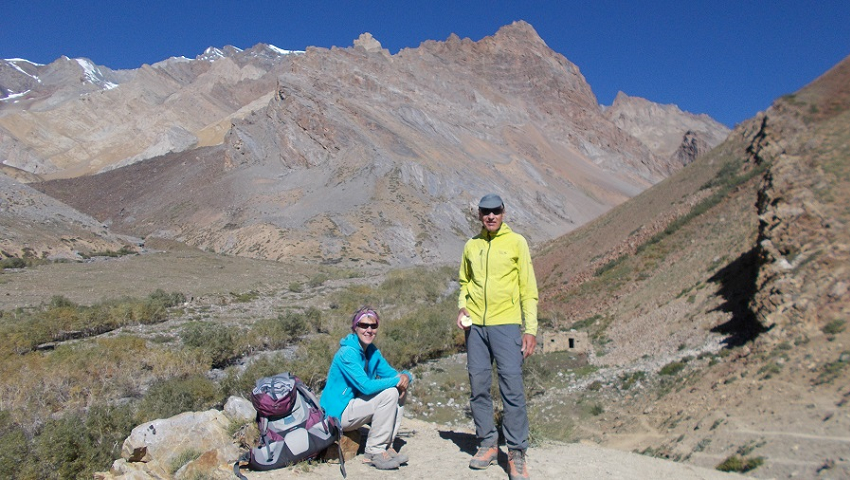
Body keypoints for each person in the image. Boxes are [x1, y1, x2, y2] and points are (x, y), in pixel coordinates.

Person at [457, 193, 538, 480]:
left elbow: (528, 288)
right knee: (478, 386)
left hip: (506, 325)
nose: (490, 216)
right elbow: (464, 282)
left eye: (495, 211)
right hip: (475, 328)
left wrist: (530, 329)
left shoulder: (517, 243)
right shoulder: (471, 245)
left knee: (512, 390)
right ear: (479, 214)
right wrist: (462, 306)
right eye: (485, 212)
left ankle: (516, 453)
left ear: (503, 212)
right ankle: (488, 443)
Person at [320, 306, 413, 470]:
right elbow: (366, 386)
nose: (369, 330)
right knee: (391, 391)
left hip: (355, 406)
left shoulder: (371, 351)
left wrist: (406, 377)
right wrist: (397, 381)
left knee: (399, 389)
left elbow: (391, 373)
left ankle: (387, 446)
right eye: (364, 325)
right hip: (338, 413)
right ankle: (374, 452)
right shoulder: (347, 353)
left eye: (373, 326)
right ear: (355, 327)